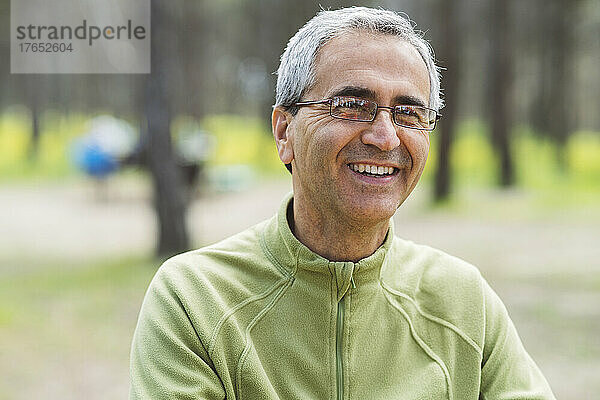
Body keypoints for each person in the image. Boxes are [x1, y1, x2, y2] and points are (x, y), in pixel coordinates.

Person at [130, 7, 556, 399]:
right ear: (284, 132)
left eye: (409, 113)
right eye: (352, 106)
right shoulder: (195, 299)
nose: (386, 137)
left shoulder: (464, 302)